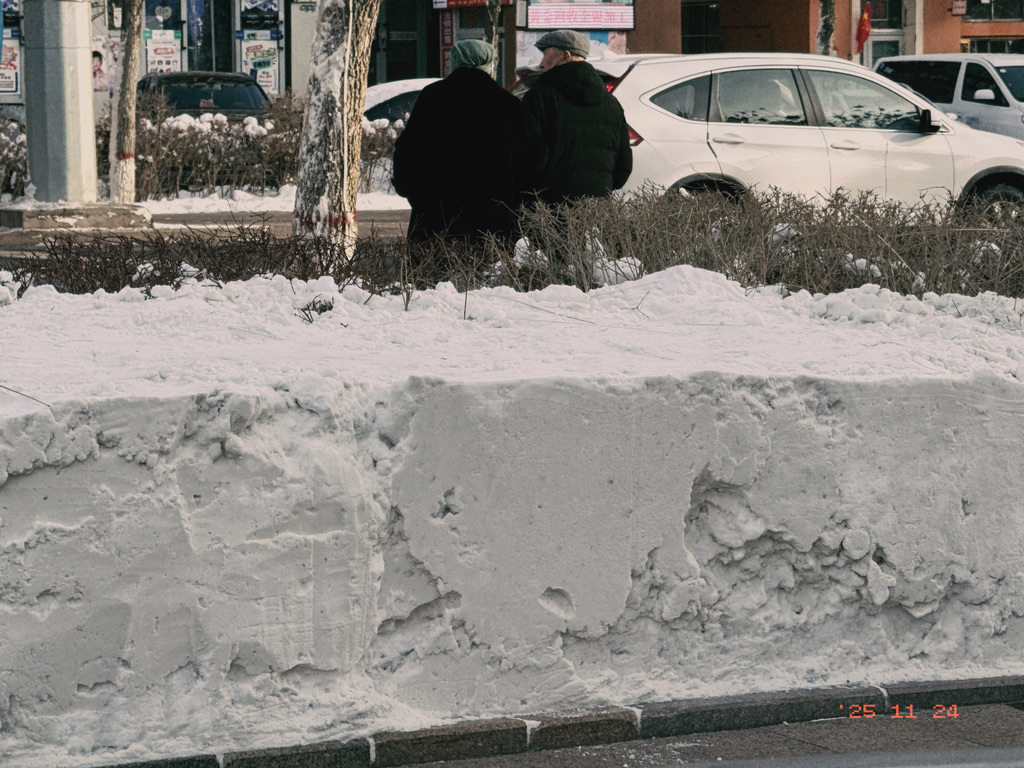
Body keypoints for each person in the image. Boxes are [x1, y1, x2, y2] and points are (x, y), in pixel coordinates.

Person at [392, 39, 522, 244]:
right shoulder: (507, 103)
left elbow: (408, 148)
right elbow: (521, 159)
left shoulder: (433, 96)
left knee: (434, 271)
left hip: (435, 209)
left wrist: (412, 191)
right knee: (485, 272)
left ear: (456, 60)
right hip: (491, 214)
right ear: (489, 62)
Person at [516, 29, 632, 205]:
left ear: (565, 56)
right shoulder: (611, 103)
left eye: (546, 54)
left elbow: (530, 155)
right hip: (596, 207)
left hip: (550, 207)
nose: (541, 64)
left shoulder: (540, 96)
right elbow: (623, 165)